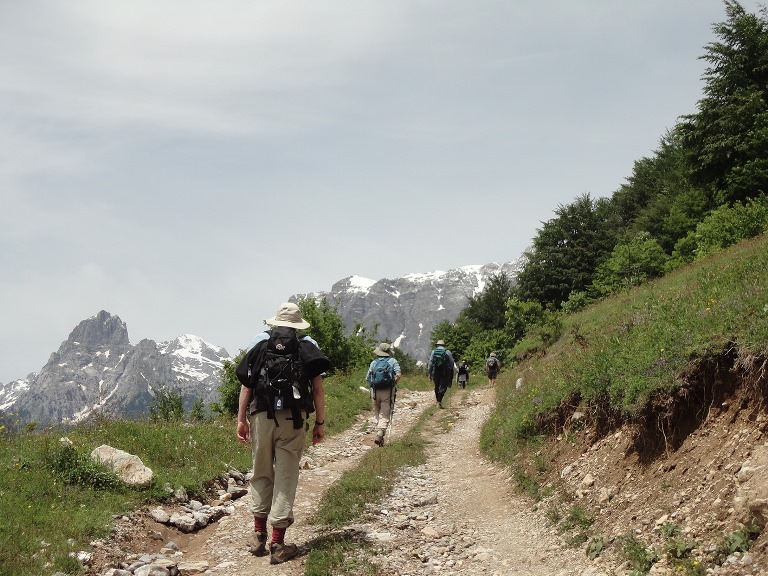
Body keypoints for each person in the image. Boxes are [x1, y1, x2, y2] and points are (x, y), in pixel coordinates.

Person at [235, 302, 330, 565]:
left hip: (261, 416)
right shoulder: (306, 344)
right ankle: (278, 543)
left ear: (275, 322)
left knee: (261, 470)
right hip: (293, 419)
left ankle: (258, 537)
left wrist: (241, 419)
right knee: (286, 476)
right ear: (297, 324)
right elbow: (318, 390)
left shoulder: (260, 341)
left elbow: (247, 386)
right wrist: (320, 423)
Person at [365, 342, 401, 447]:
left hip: (375, 391)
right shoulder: (392, 361)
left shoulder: (374, 362)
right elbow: (398, 375)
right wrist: (393, 383)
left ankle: (380, 433)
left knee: (377, 412)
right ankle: (380, 432)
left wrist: (374, 384)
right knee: (385, 413)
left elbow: (368, 378)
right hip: (387, 391)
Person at [428, 339, 455, 408]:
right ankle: (439, 401)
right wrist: (451, 370)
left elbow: (430, 363)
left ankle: (437, 401)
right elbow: (452, 362)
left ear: (437, 345)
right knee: (443, 386)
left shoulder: (433, 352)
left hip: (435, 371)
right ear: (444, 345)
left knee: (436, 386)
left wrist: (430, 373)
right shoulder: (447, 352)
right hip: (444, 371)